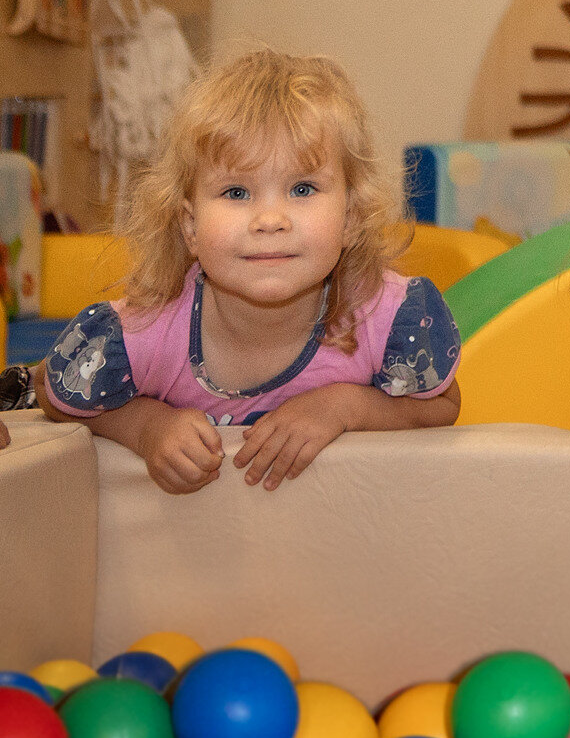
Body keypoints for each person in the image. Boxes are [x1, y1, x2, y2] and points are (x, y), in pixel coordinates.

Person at [40, 47, 460, 492]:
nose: (270, 219)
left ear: (350, 219)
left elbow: (443, 404)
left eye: (303, 188)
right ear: (190, 226)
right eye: (237, 192)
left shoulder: (384, 317)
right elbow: (55, 394)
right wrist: (146, 427)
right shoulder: (148, 331)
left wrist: (344, 407)